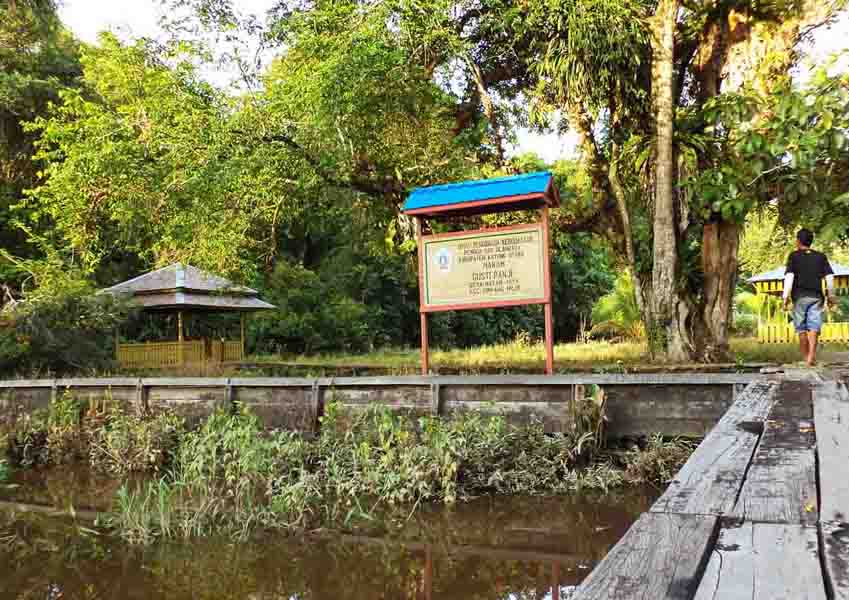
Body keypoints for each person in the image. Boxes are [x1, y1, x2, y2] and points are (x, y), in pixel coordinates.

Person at [782, 228, 836, 366]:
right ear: (811, 241)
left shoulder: (793, 256)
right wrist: (831, 296)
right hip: (816, 296)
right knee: (814, 326)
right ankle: (811, 356)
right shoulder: (820, 256)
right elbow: (829, 276)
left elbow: (789, 276)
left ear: (798, 241)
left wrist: (785, 296)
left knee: (801, 327)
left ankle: (806, 358)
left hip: (799, 297)